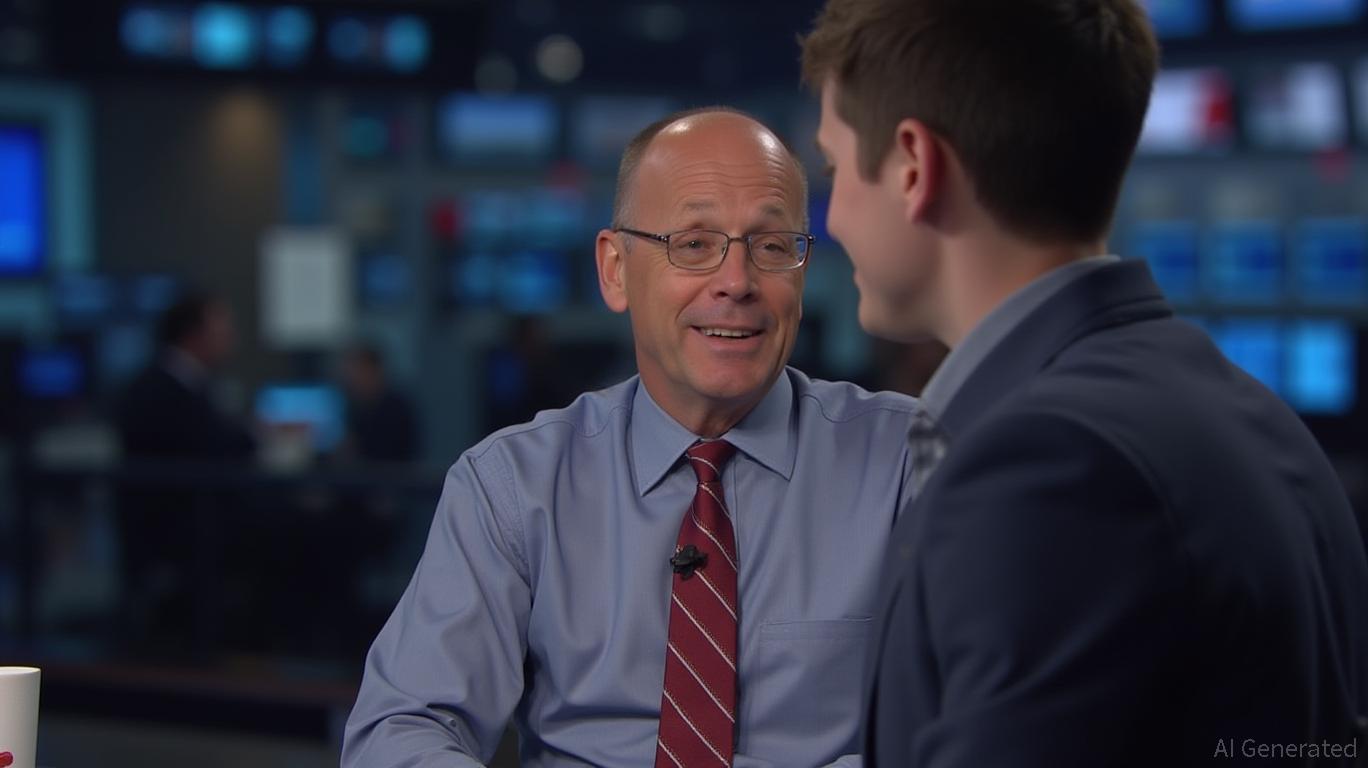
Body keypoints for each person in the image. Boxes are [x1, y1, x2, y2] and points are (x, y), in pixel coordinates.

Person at [801, 1, 1368, 765]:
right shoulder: (1254, 415)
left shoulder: (1046, 469)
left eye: (833, 169)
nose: (832, 219)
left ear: (913, 167)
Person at [343, 108, 923, 767]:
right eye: (694, 244)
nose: (737, 282)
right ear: (615, 269)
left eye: (770, 246)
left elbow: (982, 725)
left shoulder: (907, 463)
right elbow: (400, 730)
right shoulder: (514, 487)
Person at [115, 292, 256, 655]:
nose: (231, 337)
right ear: (194, 335)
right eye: (222, 328)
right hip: (183, 528)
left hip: (202, 520)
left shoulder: (192, 384)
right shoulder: (160, 390)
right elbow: (213, 447)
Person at [340, 343, 421, 464]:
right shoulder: (355, 408)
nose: (352, 378)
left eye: (358, 370)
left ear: (373, 369)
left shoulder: (396, 408)